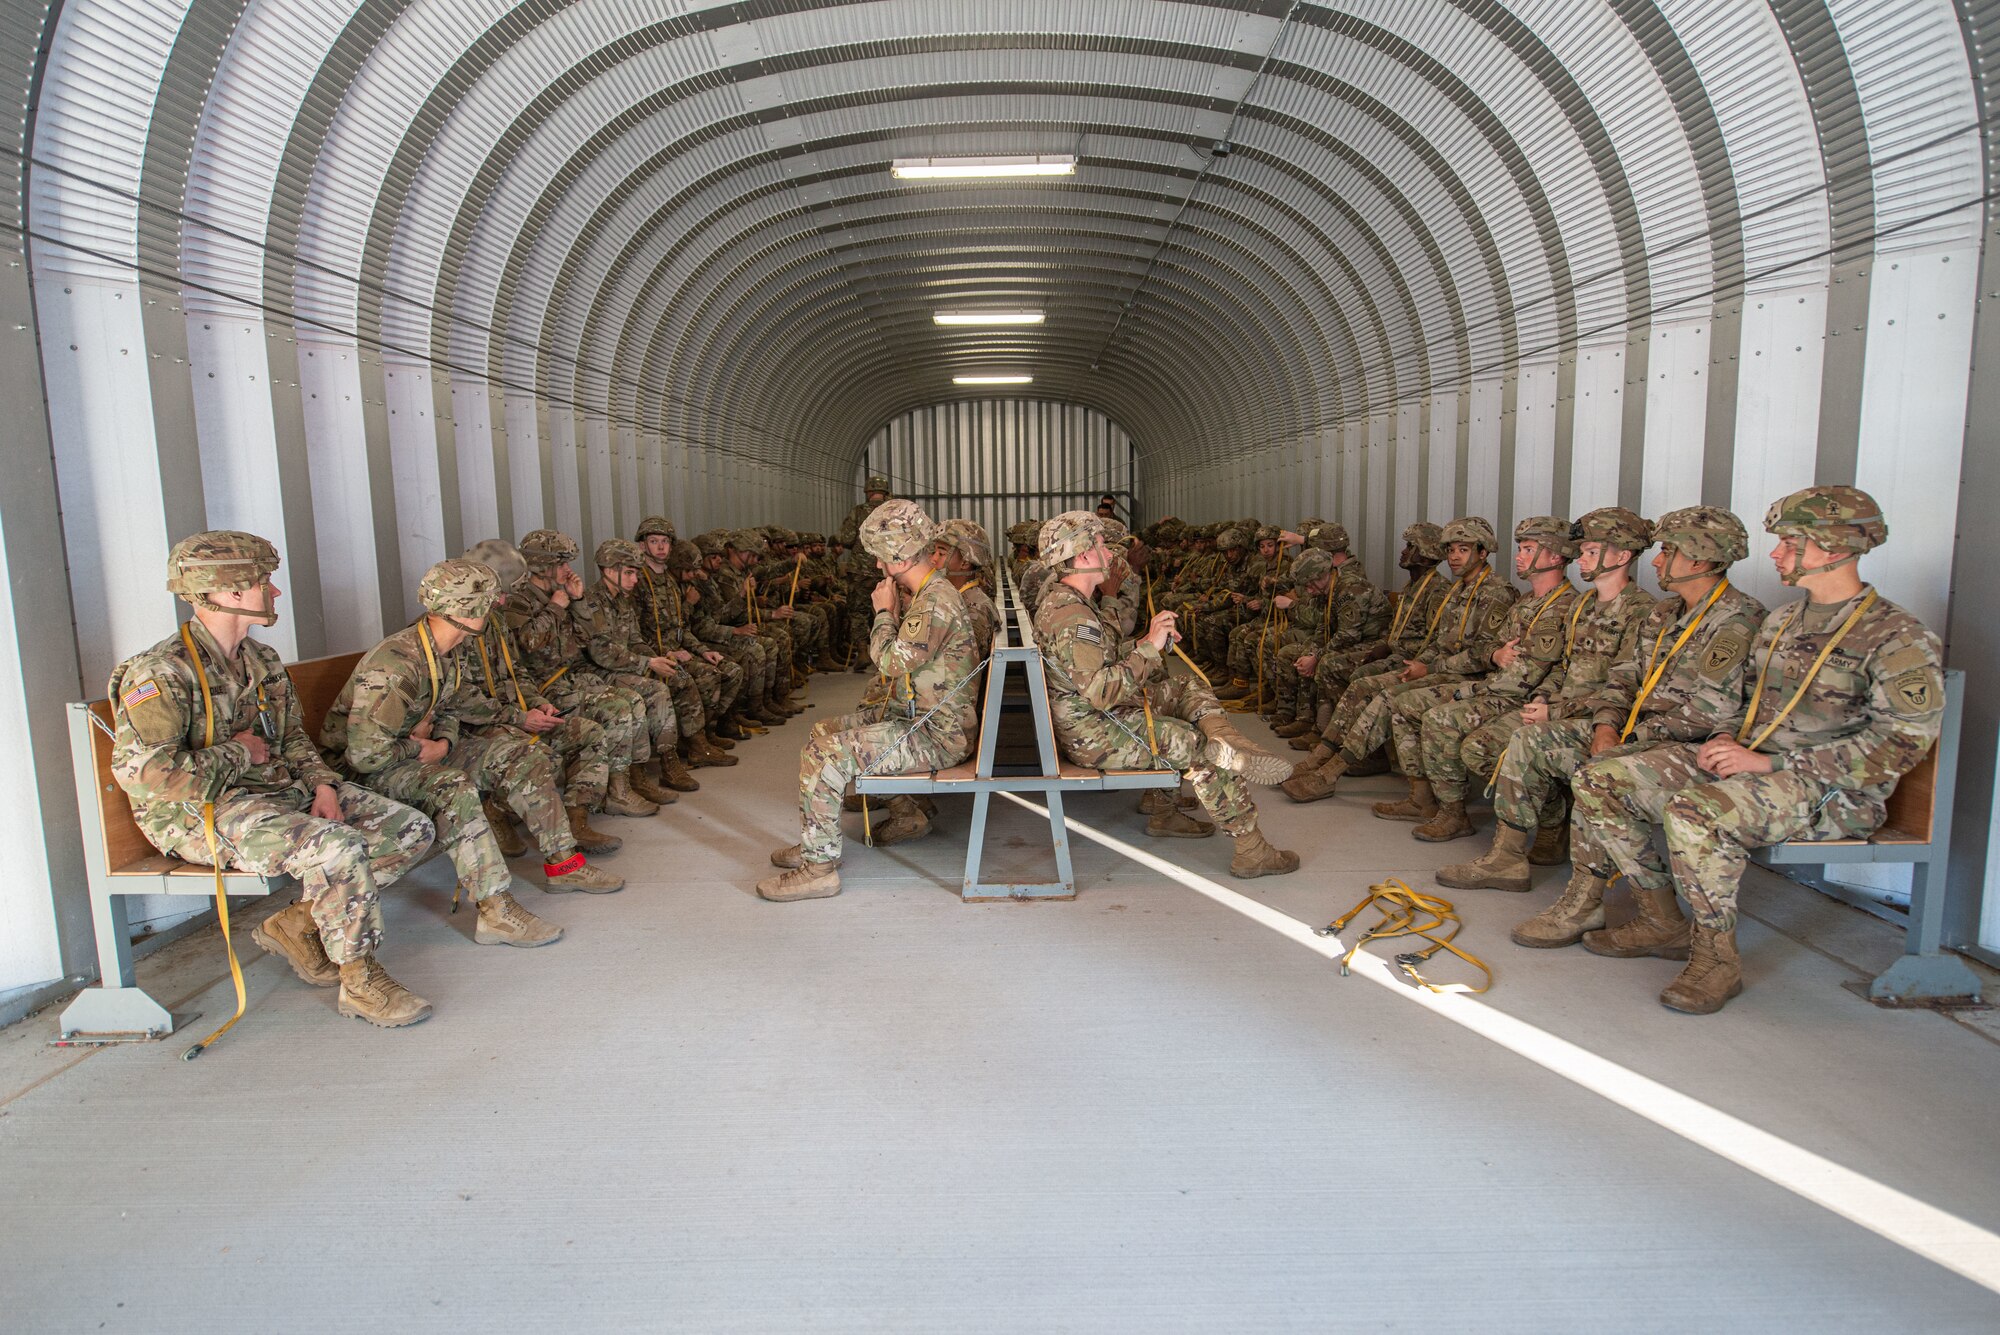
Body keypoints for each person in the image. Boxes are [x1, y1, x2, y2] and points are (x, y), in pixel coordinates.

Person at [1569, 487, 1943, 1013]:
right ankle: (1661, 921)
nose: (1775, 554)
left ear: (1832, 548)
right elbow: (1747, 706)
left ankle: (1716, 959)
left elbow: (1902, 744)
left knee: (1697, 812)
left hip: (1833, 791)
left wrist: (1771, 762)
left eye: (1791, 542)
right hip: (1756, 769)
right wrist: (1727, 741)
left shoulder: (1896, 636)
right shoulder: (1782, 623)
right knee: (1599, 778)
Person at [107, 531, 437, 1027]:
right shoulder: (161, 673)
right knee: (338, 847)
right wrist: (238, 753)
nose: (275, 592)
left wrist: (324, 784)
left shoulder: (260, 661)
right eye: (265, 582)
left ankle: (297, 924)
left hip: (276, 794)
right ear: (232, 592)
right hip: (200, 814)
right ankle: (361, 980)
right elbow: (149, 776)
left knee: (410, 830)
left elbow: (292, 740)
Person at [1453, 506, 1765, 946]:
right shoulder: (1666, 614)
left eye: (1668, 552)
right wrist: (1605, 726)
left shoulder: (1736, 619)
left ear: (1699, 560)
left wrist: (1627, 740)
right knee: (1531, 740)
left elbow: (1711, 712)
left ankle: (1587, 903)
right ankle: (1507, 857)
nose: (1656, 561)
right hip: (1633, 732)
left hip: (1688, 746)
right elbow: (1623, 678)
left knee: (1598, 777)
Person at [321, 559, 620, 945]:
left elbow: (456, 705)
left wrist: (444, 741)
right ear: (467, 610)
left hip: (412, 751)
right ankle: (495, 910)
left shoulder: (448, 648)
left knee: (520, 757)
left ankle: (564, 864)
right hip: (368, 768)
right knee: (452, 785)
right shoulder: (395, 665)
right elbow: (364, 756)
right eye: (490, 601)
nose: (497, 607)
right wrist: (418, 747)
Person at [1033, 511, 1300, 877]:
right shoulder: (1074, 617)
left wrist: (1146, 640)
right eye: (1099, 546)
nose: (1109, 555)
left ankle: (1224, 738)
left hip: (1091, 718)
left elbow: (1098, 663)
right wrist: (1149, 649)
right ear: (1082, 556)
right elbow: (1100, 692)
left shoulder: (1070, 604)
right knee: (1198, 747)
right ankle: (1252, 851)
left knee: (1184, 686)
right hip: (1094, 732)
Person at [759, 500, 981, 901]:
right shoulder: (931, 591)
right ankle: (819, 839)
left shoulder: (934, 601)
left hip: (934, 734)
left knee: (827, 754)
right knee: (823, 730)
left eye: (881, 558)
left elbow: (892, 662)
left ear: (897, 555)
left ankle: (819, 868)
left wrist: (883, 612)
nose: (878, 567)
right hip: (920, 719)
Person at [1283, 516, 1517, 803]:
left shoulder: (1495, 592)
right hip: (1438, 668)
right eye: (1452, 549)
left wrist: (1428, 667)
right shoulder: (1459, 591)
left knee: (1386, 696)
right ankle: (1323, 754)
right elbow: (1440, 642)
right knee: (1362, 687)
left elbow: (1484, 655)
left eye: (1464, 549)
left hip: (1466, 677)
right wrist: (1419, 665)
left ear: (1483, 552)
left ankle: (1330, 773)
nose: (1454, 556)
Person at [1384, 515, 1583, 837]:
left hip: (1519, 698)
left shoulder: (1567, 607)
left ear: (1556, 556)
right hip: (1496, 689)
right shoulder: (1524, 603)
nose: (1519, 556)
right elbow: (1492, 645)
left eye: (1528, 549)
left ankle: (1551, 819)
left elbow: (1549, 670)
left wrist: (1538, 698)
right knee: (1412, 706)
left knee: (1447, 725)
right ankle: (1446, 809)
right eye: (1520, 548)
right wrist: (1495, 654)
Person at [462, 538, 655, 862]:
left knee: (589, 733)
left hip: (527, 700)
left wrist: (535, 702)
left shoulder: (493, 620)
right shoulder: (475, 623)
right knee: (542, 756)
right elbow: (526, 648)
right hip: (483, 723)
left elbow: (517, 668)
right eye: (561, 564)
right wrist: (519, 717)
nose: (568, 571)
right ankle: (495, 809)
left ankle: (578, 820)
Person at [1290, 522, 1449, 750]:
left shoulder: (1437, 590)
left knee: (1338, 668)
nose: (1403, 551)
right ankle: (1329, 734)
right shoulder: (1412, 586)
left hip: (1410, 658)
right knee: (1328, 663)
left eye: (1410, 546)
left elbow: (1434, 639)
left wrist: (1404, 656)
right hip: (1390, 649)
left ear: (1426, 554)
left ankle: (1357, 747)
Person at [573, 538, 710, 793]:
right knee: (655, 691)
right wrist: (648, 663)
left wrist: (658, 659)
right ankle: (642, 772)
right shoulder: (590, 603)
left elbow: (635, 640)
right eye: (629, 573)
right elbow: (601, 652)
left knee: (675, 676)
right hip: (596, 672)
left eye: (636, 573)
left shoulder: (622, 601)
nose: (635, 579)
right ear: (609, 570)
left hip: (624, 666)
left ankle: (684, 751)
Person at [633, 515, 749, 750]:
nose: (660, 546)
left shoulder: (669, 582)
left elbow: (681, 628)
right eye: (654, 541)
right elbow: (634, 634)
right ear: (643, 545)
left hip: (678, 651)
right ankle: (695, 743)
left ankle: (707, 729)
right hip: (655, 656)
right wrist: (667, 652)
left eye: (665, 541)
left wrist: (703, 650)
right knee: (706, 676)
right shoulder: (637, 581)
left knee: (730, 669)